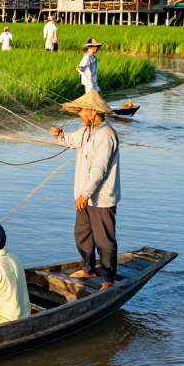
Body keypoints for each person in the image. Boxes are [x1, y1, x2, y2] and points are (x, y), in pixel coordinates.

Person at [51, 91, 122, 289]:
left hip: (100, 198)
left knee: (104, 240)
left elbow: (100, 169)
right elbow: (71, 140)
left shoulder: (106, 135)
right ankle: (88, 269)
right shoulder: (86, 130)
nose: (80, 114)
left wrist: (85, 193)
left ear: (93, 111)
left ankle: (109, 278)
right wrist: (60, 136)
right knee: (82, 233)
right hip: (84, 197)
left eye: (82, 110)